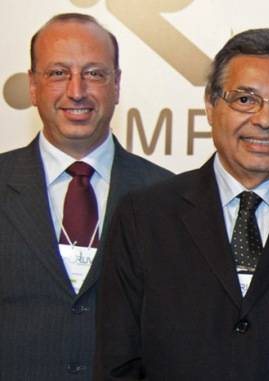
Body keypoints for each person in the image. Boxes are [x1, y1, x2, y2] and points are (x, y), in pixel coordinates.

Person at [94, 28, 269, 380]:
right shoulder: (144, 217)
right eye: (245, 99)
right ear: (211, 107)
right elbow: (118, 361)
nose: (264, 119)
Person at [0, 13, 171, 381]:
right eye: (58, 73)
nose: (76, 91)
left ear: (117, 85)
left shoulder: (169, 200)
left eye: (94, 73)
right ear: (32, 86)